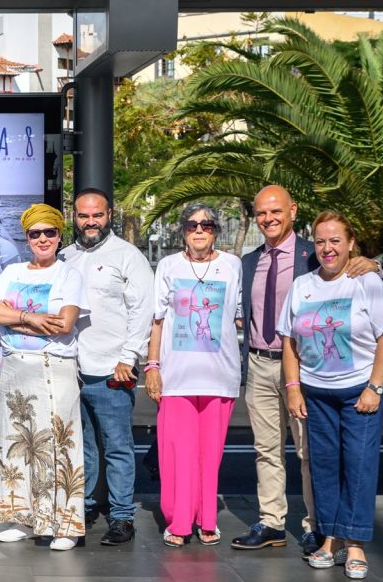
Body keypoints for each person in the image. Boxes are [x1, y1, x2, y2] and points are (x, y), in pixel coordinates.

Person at [231, 185, 380, 555]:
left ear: (292, 211)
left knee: (311, 451)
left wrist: (375, 263)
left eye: (276, 211)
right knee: (265, 449)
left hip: (304, 368)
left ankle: (319, 526)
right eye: (262, 213)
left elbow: (350, 263)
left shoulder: (312, 254)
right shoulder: (250, 261)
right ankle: (271, 522)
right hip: (259, 363)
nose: (269, 219)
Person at [279, 211, 383, 580]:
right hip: (316, 393)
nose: (327, 248)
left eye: (334, 241)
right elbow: (289, 340)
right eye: (320, 241)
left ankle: (355, 543)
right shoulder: (302, 285)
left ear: (349, 244)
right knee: (325, 468)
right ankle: (329, 539)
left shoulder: (367, 282)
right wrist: (293, 388)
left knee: (359, 467)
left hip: (359, 393)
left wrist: (374, 387)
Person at [0, 203, 88, 552]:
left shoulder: (68, 274)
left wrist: (13, 316)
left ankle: (64, 525)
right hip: (16, 367)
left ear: (59, 236)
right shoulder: (12, 271)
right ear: (26, 238)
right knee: (17, 444)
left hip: (52, 367)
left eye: (50, 232)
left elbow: (64, 323)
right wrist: (30, 317)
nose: (42, 239)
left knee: (58, 444)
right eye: (35, 233)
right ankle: (23, 518)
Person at [60, 188, 154, 546]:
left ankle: (121, 517)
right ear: (75, 217)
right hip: (70, 368)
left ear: (109, 214)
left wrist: (128, 358)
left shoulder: (127, 256)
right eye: (84, 216)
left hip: (111, 370)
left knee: (117, 447)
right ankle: (81, 508)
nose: (90, 222)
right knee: (81, 448)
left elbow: (142, 311)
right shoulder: (65, 256)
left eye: (97, 215)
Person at [145, 203, 242, 549]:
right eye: (192, 225)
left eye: (207, 224)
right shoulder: (168, 266)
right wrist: (152, 367)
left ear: (216, 230)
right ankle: (181, 519)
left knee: (210, 455)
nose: (199, 230)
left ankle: (207, 518)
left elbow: (241, 315)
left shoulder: (233, 266)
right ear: (182, 230)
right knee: (178, 453)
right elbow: (157, 320)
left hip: (220, 376)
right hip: (177, 377)